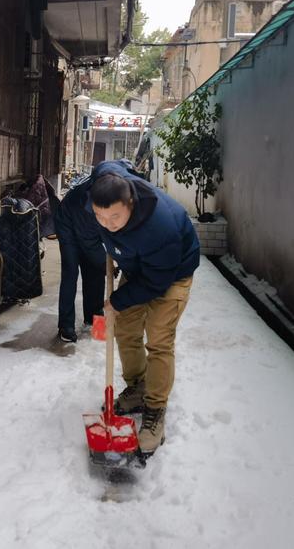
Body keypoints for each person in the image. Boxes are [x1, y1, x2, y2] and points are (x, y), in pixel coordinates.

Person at [87, 166, 200, 456]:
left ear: (131, 204)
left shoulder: (161, 227)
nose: (107, 224)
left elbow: (156, 282)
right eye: (101, 217)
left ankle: (155, 410)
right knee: (125, 328)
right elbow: (108, 168)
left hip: (171, 273)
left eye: (115, 217)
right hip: (139, 266)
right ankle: (138, 386)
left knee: (159, 339)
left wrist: (116, 301)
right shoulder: (104, 195)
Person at [54, 160, 142, 343]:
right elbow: (89, 240)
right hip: (69, 222)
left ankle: (94, 319)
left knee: (94, 272)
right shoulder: (95, 198)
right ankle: (66, 326)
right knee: (71, 271)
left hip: (90, 228)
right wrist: (104, 262)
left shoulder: (120, 186)